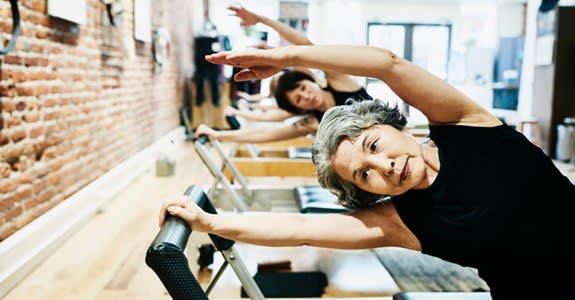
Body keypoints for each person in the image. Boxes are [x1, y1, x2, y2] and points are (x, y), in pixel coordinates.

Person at [162, 44, 575, 299]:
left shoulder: (467, 126)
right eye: (364, 175)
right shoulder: (398, 222)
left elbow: (387, 65)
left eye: (374, 146)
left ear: (395, 125)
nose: (384, 167)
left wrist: (286, 57)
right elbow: (299, 228)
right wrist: (208, 220)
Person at [194, 5, 371, 143]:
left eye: (302, 88)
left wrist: (262, 20)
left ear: (309, 80)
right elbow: (263, 134)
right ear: (300, 109)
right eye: (298, 99)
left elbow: (305, 46)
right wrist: (216, 135)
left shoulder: (338, 80)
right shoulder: (312, 123)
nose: (306, 96)